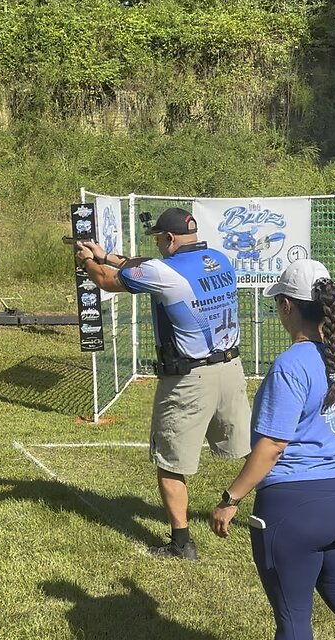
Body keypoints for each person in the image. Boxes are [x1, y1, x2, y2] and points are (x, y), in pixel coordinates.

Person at [209, 259, 335, 640]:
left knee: (293, 619)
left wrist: (231, 497)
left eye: (278, 304)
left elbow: (273, 445)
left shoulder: (290, 365)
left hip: (297, 507)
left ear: (288, 306)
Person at [76, 207, 251, 561]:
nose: (157, 244)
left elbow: (110, 280)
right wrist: (107, 254)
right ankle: (275, 513)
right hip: (231, 368)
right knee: (253, 450)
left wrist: (86, 263)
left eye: (159, 239)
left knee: (171, 461)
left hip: (189, 378)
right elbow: (144, 264)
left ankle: (182, 543)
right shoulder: (218, 259)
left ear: (169, 239)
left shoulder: (162, 270)